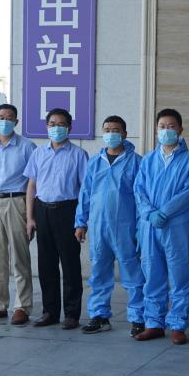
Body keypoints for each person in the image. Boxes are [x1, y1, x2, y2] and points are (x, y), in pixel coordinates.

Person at [133, 108, 189, 345]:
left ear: (180, 130)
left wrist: (164, 212)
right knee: (152, 274)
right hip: (150, 226)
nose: (166, 130)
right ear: (156, 130)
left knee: (179, 275)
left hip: (176, 226)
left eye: (171, 126)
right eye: (162, 126)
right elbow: (139, 190)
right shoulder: (148, 159)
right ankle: (154, 323)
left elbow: (188, 191)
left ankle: (178, 324)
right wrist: (149, 213)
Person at [75, 115, 146, 336]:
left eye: (116, 130)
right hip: (98, 227)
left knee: (132, 272)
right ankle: (99, 316)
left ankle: (138, 317)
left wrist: (140, 229)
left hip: (125, 227)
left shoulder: (137, 162)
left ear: (124, 134)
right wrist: (80, 222)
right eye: (107, 130)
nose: (111, 134)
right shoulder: (95, 162)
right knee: (99, 272)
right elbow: (85, 193)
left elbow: (141, 197)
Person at [24, 108, 89, 329]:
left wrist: (81, 221)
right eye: (52, 124)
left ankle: (71, 314)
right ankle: (49, 312)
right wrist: (30, 217)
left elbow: (85, 190)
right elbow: (32, 185)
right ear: (47, 127)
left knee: (70, 265)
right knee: (46, 264)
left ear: (69, 127)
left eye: (61, 124)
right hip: (42, 210)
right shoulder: (38, 153)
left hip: (67, 210)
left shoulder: (79, 155)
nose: (56, 128)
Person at [0, 104, 37, 325]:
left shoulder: (27, 146)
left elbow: (32, 181)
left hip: (16, 201)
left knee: (20, 257)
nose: (5, 121)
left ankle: (22, 306)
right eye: (1, 117)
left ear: (16, 122)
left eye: (9, 118)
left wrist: (30, 214)